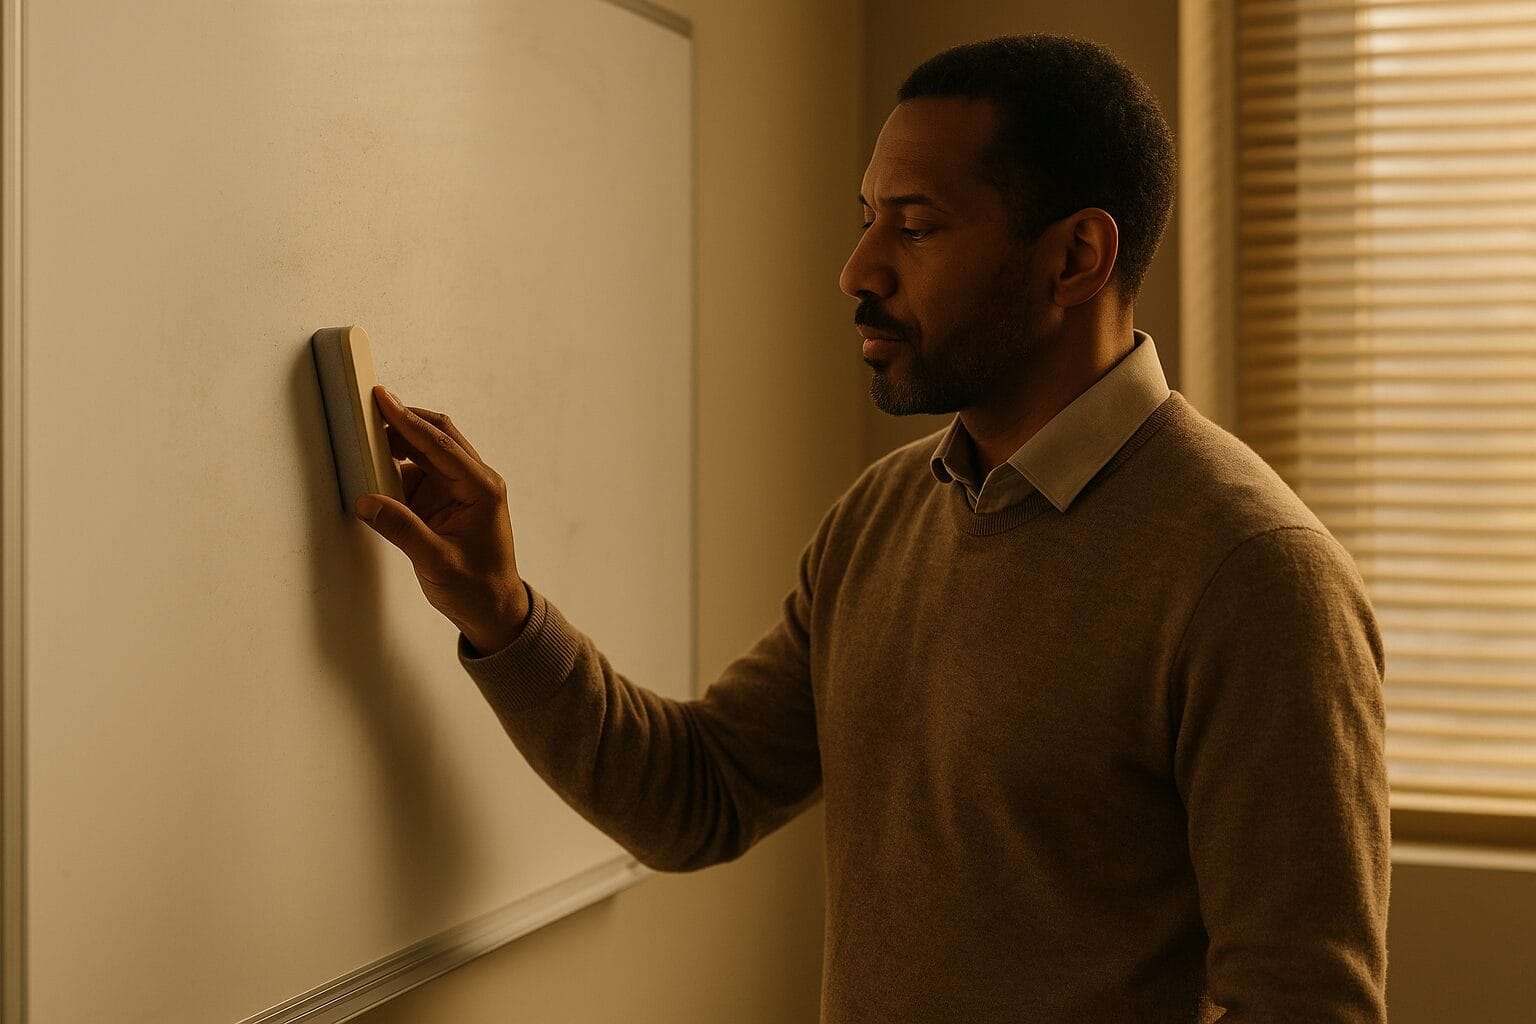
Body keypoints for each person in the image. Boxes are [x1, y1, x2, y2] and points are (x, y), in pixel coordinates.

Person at [352, 33, 1390, 1024]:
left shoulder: (1255, 576)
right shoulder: (882, 517)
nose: (857, 271)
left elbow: (1306, 1005)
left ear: (1075, 257)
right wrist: (502, 613)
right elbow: (694, 796)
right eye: (866, 217)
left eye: (916, 224)